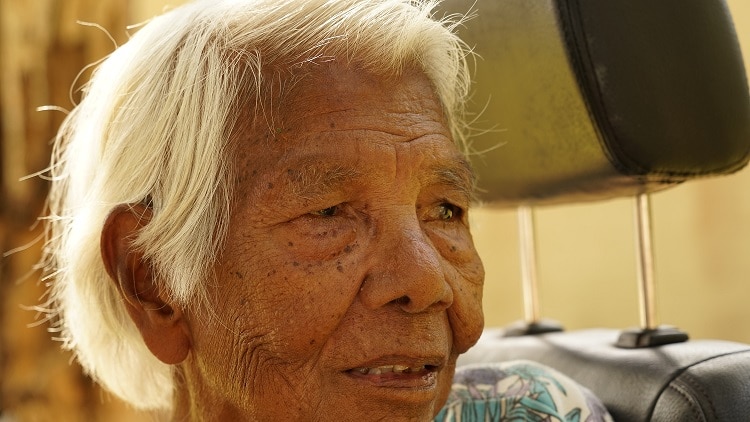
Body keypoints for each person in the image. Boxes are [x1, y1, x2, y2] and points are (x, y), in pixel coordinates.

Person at [41, 0, 610, 420]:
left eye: (444, 209)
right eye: (330, 213)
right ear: (154, 280)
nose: (425, 280)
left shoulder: (534, 412)